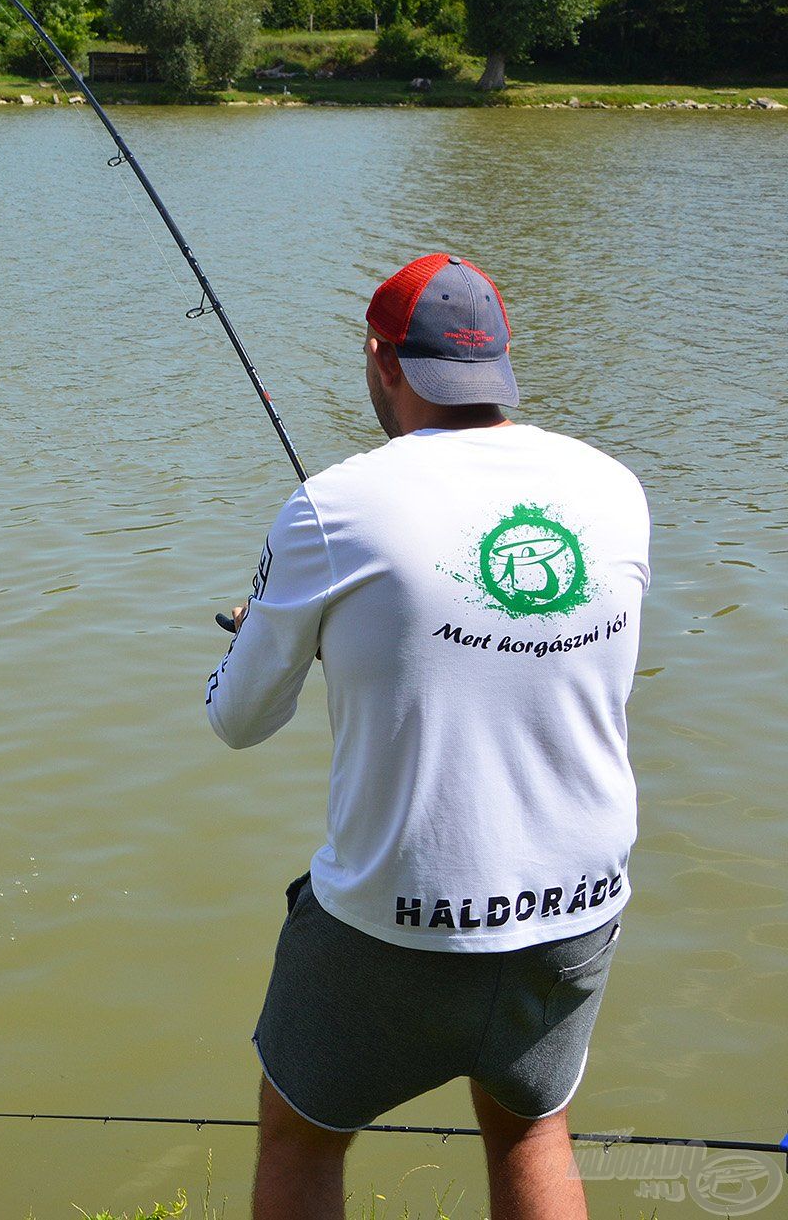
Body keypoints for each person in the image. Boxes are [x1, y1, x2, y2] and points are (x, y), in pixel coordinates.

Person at [204, 254, 650, 1220]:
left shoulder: (336, 505)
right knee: (531, 1125)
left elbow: (239, 720)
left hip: (396, 917)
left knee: (301, 1135)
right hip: (577, 903)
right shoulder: (615, 487)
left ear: (382, 359)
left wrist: (280, 629)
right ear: (501, 360)